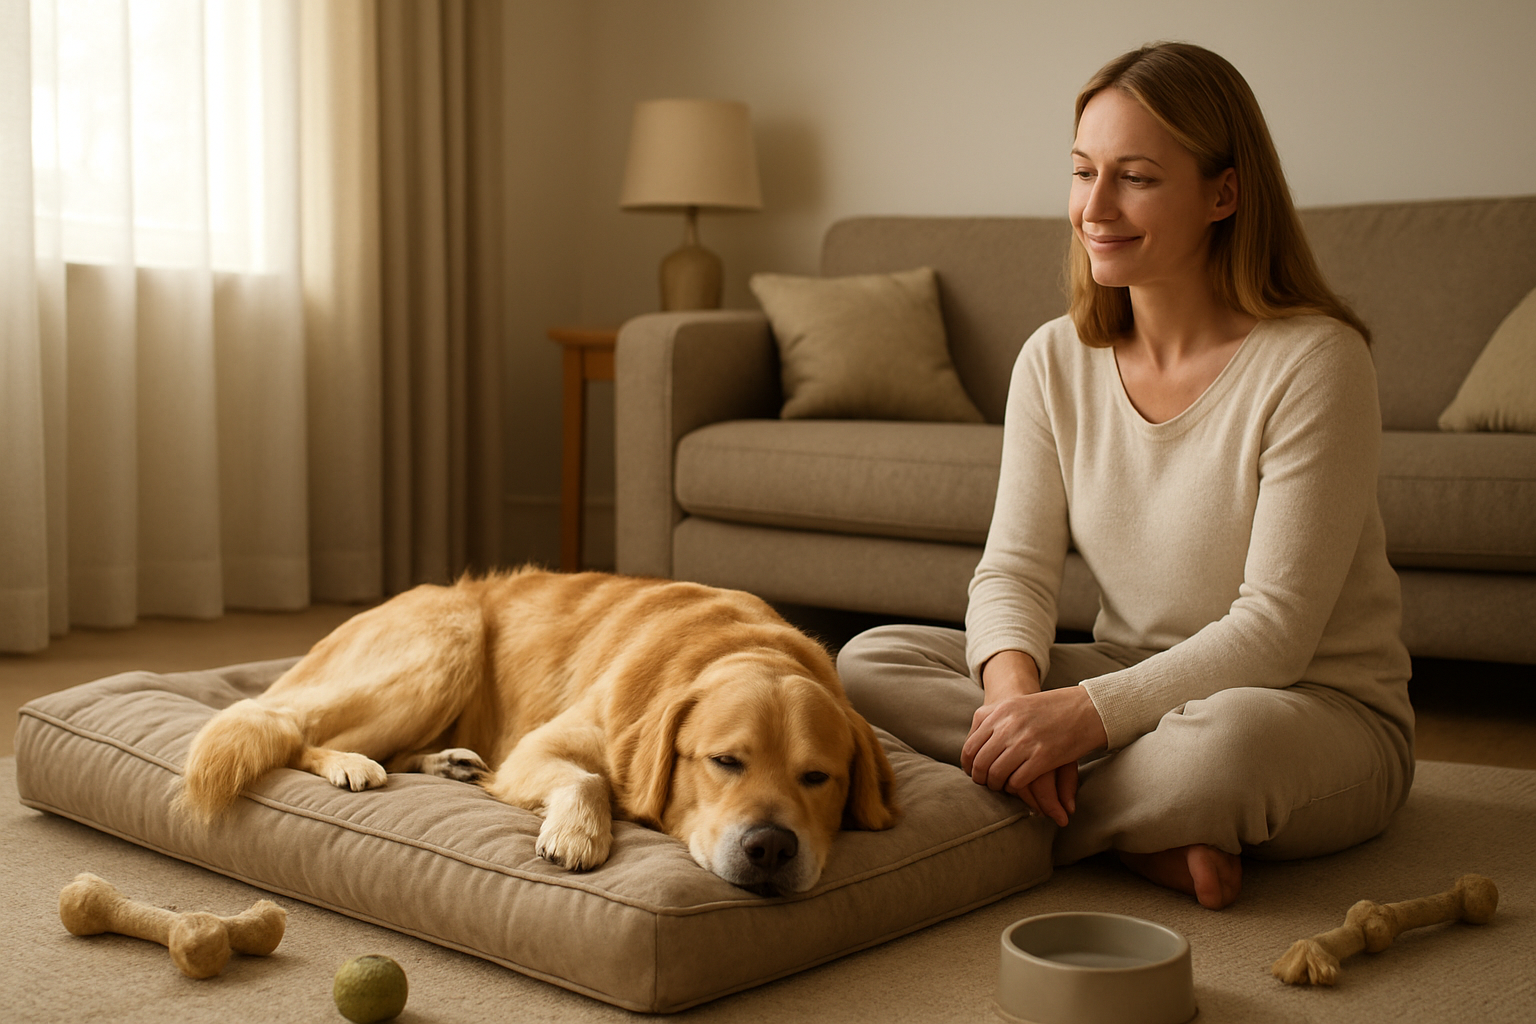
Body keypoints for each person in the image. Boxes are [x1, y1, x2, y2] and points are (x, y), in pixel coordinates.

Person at [836, 42, 1415, 911]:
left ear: (1224, 194)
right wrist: (1017, 705)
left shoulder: (1317, 361)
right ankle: (1135, 835)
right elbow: (1014, 573)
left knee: (1218, 755)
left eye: (1135, 177)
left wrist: (1080, 721)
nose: (1094, 207)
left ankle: (1005, 819)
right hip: (1126, 673)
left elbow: (1276, 632)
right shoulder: (1053, 359)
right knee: (868, 662)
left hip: (1304, 708)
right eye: (1082, 172)